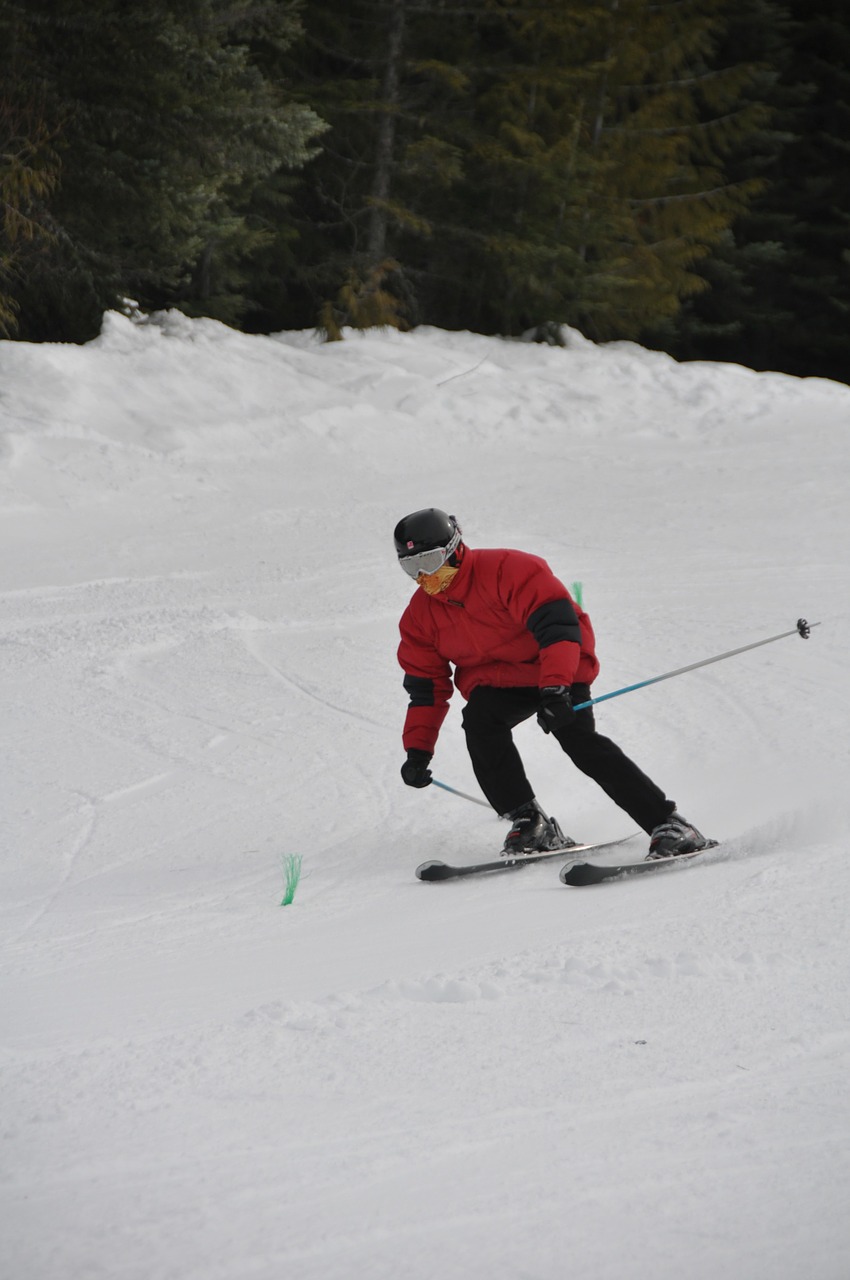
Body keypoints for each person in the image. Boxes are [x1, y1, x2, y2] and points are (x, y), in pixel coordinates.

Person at [394, 508, 710, 859]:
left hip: (558, 664)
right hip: (501, 680)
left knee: (577, 738)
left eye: (431, 561)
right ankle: (529, 821)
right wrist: (418, 751)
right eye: (411, 567)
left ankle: (669, 824)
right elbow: (426, 690)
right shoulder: (419, 617)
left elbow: (558, 630)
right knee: (481, 722)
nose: (425, 576)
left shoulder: (508, 570)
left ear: (454, 548)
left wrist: (556, 688)